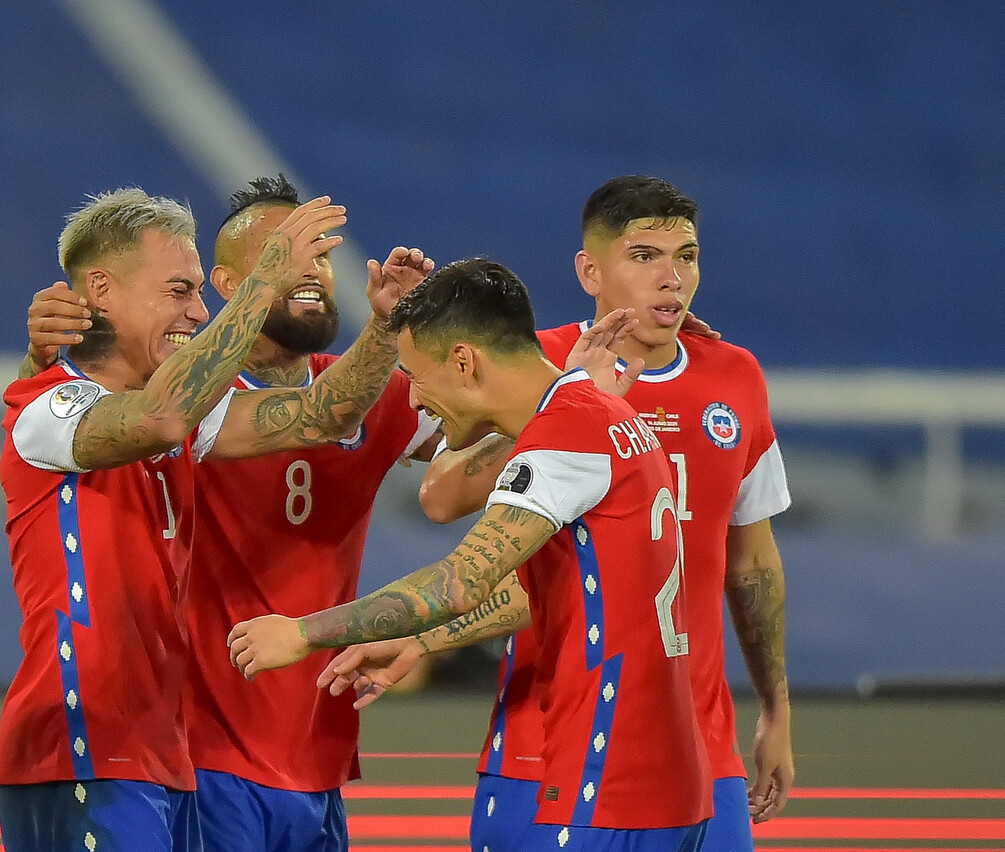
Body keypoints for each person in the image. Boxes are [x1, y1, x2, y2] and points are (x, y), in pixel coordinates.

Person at [323, 175, 795, 851]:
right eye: (644, 257)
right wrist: (564, 403)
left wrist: (776, 709)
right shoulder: (532, 361)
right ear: (590, 270)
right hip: (552, 737)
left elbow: (750, 561)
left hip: (698, 743)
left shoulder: (735, 377)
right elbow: (441, 495)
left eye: (686, 256)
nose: (672, 277)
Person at [228, 258, 714, 852]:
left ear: (464, 361)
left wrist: (304, 633)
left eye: (415, 376)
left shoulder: (566, 434)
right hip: (667, 783)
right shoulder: (607, 415)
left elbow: (460, 580)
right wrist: (422, 640)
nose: (417, 400)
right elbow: (544, 591)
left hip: (606, 776)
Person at [18, 174, 439, 852]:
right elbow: (156, 415)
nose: (194, 312)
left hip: (164, 754)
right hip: (83, 741)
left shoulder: (196, 417)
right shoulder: (43, 409)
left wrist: (387, 326)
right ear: (102, 291)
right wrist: (262, 287)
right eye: (179, 292)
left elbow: (320, 414)